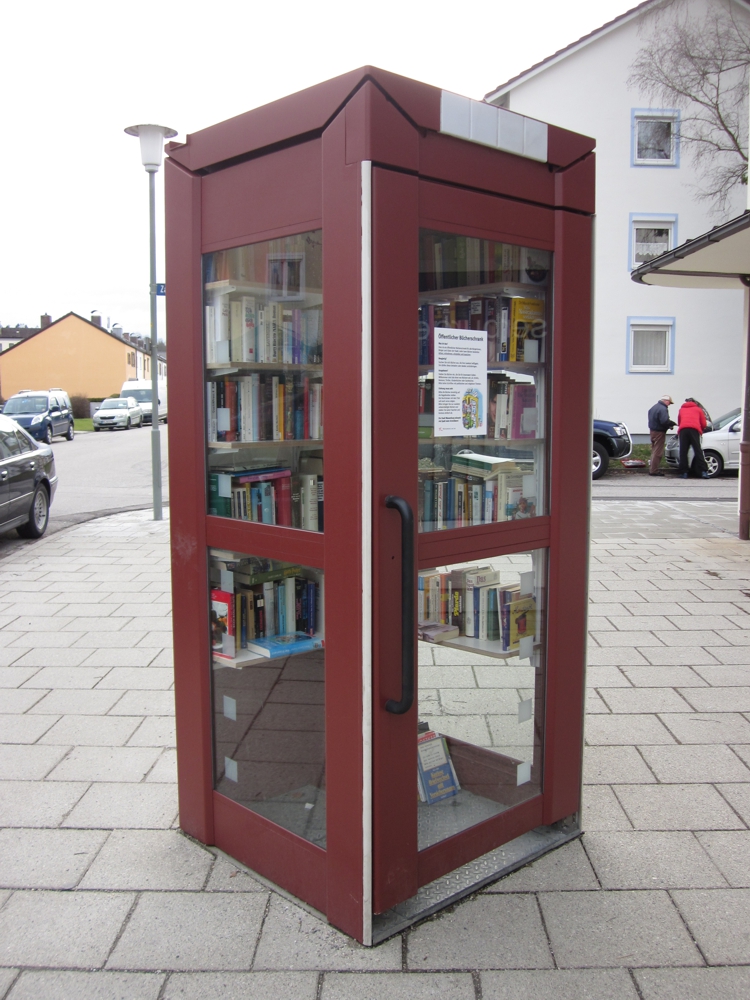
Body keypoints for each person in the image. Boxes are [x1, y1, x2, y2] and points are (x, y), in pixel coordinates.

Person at [677, 397, 709, 479]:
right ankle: (703, 471)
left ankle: (684, 473)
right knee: (697, 450)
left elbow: (679, 422)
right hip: (694, 430)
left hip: (683, 430)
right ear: (694, 402)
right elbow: (704, 423)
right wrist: (701, 429)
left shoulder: (681, 410)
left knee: (683, 451)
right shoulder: (698, 409)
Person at [647, 394, 675, 476]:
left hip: (652, 431)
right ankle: (654, 470)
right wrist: (670, 424)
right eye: (669, 402)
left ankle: (652, 468)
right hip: (659, 432)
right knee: (658, 452)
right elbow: (664, 421)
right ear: (666, 401)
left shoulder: (653, 407)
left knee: (654, 450)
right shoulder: (663, 409)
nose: (669, 404)